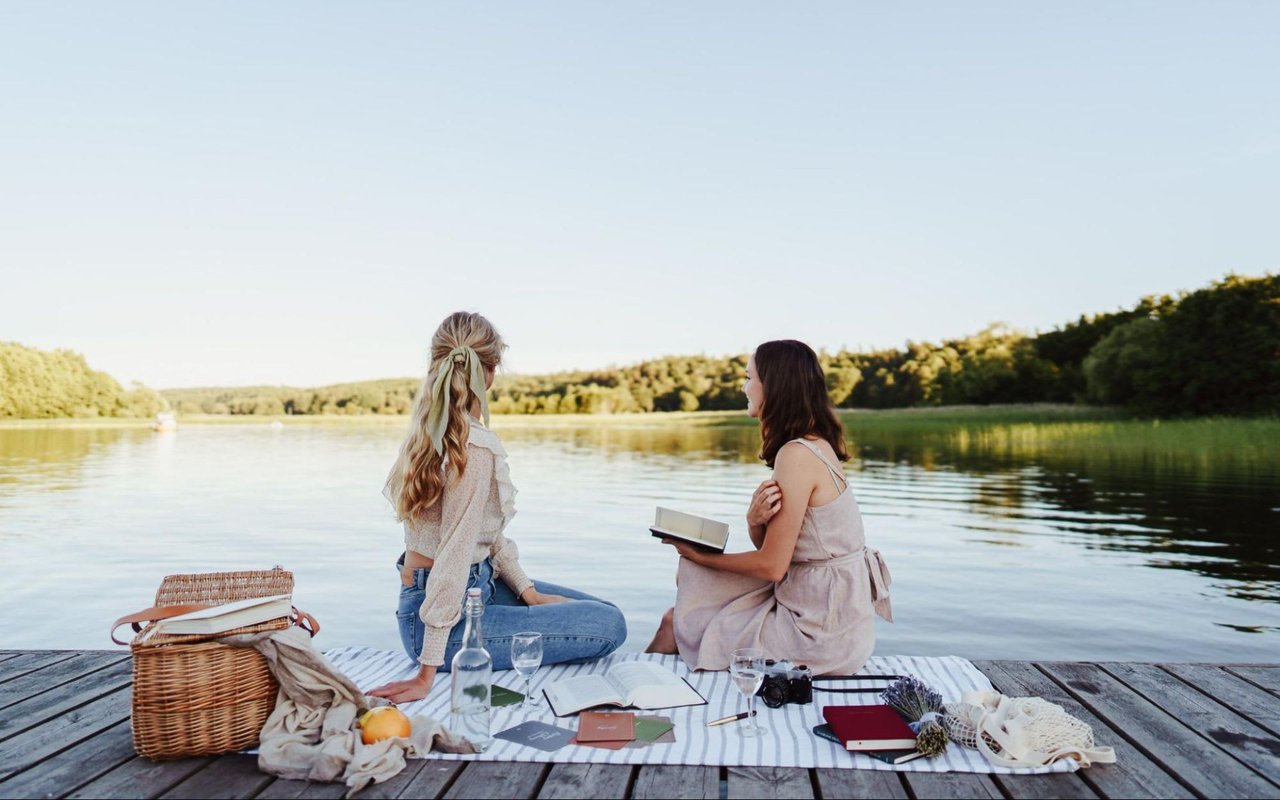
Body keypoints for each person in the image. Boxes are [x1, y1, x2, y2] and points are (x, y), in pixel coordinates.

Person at [370, 311, 627, 703]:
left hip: (472, 589)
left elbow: (484, 537)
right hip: (447, 622)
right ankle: (436, 651)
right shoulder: (472, 447)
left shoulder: (430, 431)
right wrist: (427, 672)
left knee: (597, 608)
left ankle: (507, 608)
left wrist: (527, 591)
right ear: (488, 372)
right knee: (609, 623)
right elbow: (454, 556)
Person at [645, 339, 892, 675]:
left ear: (773, 386)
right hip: (823, 612)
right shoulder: (813, 445)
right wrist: (755, 522)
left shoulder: (797, 455)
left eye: (749, 378)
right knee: (678, 616)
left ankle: (632, 687)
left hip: (820, 634)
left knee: (675, 621)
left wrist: (696, 555)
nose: (744, 388)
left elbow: (773, 566)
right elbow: (786, 552)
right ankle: (641, 685)